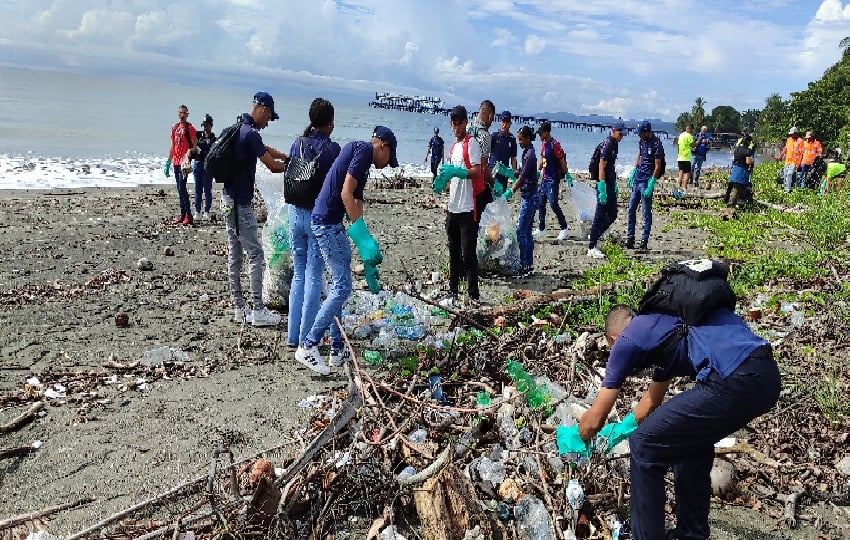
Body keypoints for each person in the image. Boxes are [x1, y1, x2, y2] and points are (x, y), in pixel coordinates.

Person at [561, 260, 780, 540]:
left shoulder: (626, 341)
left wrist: (573, 438)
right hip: (766, 375)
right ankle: (692, 534)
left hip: (734, 378)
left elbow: (593, 421)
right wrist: (618, 432)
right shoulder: (670, 327)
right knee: (692, 442)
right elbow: (649, 406)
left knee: (644, 446)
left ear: (613, 338)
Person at [295, 126, 397, 374]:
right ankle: (308, 345)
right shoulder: (362, 150)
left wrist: (366, 252)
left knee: (339, 285)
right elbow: (345, 194)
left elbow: (357, 203)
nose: (387, 163)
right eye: (390, 156)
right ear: (382, 145)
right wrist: (362, 238)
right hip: (326, 223)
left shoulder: (363, 161)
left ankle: (337, 349)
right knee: (342, 287)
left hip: (332, 223)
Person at [224, 92, 288, 327]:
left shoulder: (239, 127)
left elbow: (266, 149)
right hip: (240, 203)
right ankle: (258, 310)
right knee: (256, 255)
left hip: (226, 200)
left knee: (235, 254)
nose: (268, 122)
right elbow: (271, 166)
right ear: (262, 109)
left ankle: (239, 308)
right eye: (269, 116)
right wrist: (294, 168)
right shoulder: (250, 133)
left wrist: (288, 157)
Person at [286, 98, 342, 351]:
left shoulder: (297, 143)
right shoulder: (331, 150)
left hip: (293, 213)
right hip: (316, 217)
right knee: (313, 277)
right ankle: (305, 337)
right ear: (330, 123)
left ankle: (291, 335)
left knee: (298, 275)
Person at [433, 105, 483, 307]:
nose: (456, 127)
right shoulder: (453, 148)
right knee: (453, 252)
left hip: (467, 208)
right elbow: (449, 180)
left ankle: (474, 295)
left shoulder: (472, 144)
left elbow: (477, 171)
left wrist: (458, 171)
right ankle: (453, 290)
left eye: (459, 123)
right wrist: (441, 181)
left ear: (465, 122)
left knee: (468, 254)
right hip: (452, 207)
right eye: (453, 124)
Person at [587, 120, 627, 260]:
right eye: (620, 134)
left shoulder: (615, 144)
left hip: (610, 183)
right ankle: (591, 246)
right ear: (614, 130)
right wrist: (602, 186)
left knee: (613, 214)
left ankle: (594, 236)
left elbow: (611, 166)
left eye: (623, 134)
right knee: (600, 214)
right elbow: (601, 166)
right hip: (603, 184)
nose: (622, 137)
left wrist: (614, 184)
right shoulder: (608, 144)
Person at [626, 121, 664, 251]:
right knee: (631, 209)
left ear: (647, 132)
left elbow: (658, 166)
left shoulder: (657, 144)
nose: (639, 135)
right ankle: (630, 237)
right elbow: (640, 155)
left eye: (640, 133)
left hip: (647, 181)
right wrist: (633, 170)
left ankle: (644, 240)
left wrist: (652, 183)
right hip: (637, 179)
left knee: (646, 213)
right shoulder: (642, 141)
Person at [533, 121, 571, 241]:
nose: (539, 135)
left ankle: (564, 228)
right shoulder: (543, 143)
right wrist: (538, 171)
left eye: (540, 133)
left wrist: (567, 174)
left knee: (554, 204)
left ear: (546, 132)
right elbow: (543, 159)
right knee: (541, 204)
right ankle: (541, 229)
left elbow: (561, 162)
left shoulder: (555, 145)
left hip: (553, 180)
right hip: (545, 178)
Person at [510, 125, 539, 276]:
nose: (519, 142)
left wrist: (511, 190)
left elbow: (522, 179)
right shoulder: (527, 153)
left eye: (521, 140)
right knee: (527, 232)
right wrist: (510, 172)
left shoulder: (530, 155)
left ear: (528, 139)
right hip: (530, 196)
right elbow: (521, 173)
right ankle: (529, 265)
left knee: (521, 231)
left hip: (529, 197)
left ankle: (524, 265)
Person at [164, 104, 197, 225]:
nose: (182, 115)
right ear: (178, 114)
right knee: (179, 188)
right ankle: (182, 214)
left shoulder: (190, 128)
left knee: (182, 188)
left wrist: (189, 152)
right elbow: (173, 146)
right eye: (180, 113)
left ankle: (189, 215)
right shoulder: (175, 127)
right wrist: (168, 162)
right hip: (176, 162)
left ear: (187, 115)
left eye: (184, 113)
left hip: (185, 163)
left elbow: (194, 146)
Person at [470, 99, 496, 222]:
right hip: (476, 184)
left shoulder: (466, 127)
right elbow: (483, 168)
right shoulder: (484, 136)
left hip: (462, 180)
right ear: (490, 116)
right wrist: (494, 184)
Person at [192, 114, 216, 222]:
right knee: (197, 190)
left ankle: (207, 211)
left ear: (211, 125)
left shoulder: (214, 138)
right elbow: (189, 139)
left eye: (207, 125)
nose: (205, 127)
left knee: (207, 190)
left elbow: (213, 152)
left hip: (207, 166)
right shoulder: (198, 135)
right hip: (197, 164)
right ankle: (197, 211)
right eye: (204, 125)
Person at [489, 110, 518, 192]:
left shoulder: (512, 139)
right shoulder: (494, 136)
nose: (504, 124)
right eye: (503, 121)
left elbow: (513, 158)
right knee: (490, 197)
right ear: (500, 122)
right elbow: (485, 153)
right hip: (492, 170)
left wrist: (514, 175)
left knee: (501, 197)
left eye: (507, 121)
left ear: (510, 123)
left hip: (504, 172)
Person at [724, 132, 755, 207]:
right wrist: (753, 148)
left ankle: (726, 199)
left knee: (730, 185)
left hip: (735, 168)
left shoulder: (737, 148)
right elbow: (748, 159)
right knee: (742, 186)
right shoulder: (745, 150)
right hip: (741, 170)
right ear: (748, 142)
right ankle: (739, 201)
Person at [777, 127, 803, 192]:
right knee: (785, 174)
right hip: (787, 161)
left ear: (796, 133)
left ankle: (788, 189)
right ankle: (785, 187)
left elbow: (802, 153)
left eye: (792, 134)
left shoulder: (800, 141)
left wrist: (799, 163)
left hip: (794, 161)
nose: (791, 135)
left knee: (789, 174)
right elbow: (785, 149)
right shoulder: (789, 140)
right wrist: (780, 156)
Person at [675, 124, 695, 193]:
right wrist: (698, 142)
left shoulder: (681, 135)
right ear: (691, 129)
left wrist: (678, 153)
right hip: (686, 158)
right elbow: (692, 145)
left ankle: (678, 188)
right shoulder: (689, 136)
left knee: (681, 173)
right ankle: (684, 189)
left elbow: (678, 145)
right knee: (687, 174)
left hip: (680, 157)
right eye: (692, 130)